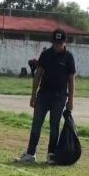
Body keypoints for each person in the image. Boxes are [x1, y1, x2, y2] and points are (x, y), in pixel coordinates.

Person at [15, 29, 76, 164]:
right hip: (43, 95)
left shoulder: (69, 57)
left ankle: (51, 154)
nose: (57, 46)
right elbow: (38, 74)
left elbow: (71, 80)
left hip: (59, 97)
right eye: (55, 43)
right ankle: (31, 153)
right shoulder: (46, 54)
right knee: (36, 124)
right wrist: (33, 94)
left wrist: (71, 99)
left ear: (64, 43)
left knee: (54, 126)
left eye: (59, 43)